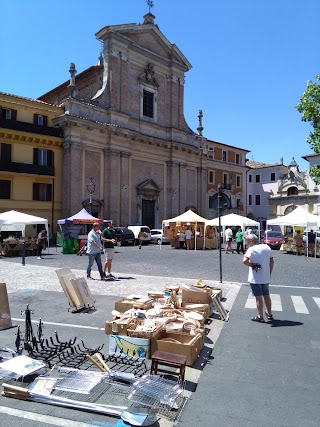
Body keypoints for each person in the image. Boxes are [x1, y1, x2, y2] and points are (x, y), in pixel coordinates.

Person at [242, 233, 274, 322]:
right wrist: (269, 272)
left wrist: (252, 265)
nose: (247, 243)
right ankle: (269, 313)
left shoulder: (251, 249)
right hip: (265, 276)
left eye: (247, 241)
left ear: (251, 241)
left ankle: (260, 316)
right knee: (266, 295)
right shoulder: (266, 247)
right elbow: (272, 261)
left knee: (258, 297)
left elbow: (244, 261)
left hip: (255, 278)